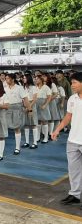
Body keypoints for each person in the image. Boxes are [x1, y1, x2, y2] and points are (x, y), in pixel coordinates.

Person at [52, 72, 82, 206]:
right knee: (73, 170)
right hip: (73, 140)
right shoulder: (72, 99)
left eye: (75, 82)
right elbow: (68, 117)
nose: (72, 85)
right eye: (72, 83)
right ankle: (75, 195)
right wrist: (57, 129)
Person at [5, 73, 30, 154]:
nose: (6, 80)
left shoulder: (19, 88)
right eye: (6, 78)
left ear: (12, 79)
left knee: (17, 128)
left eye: (8, 78)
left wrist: (29, 109)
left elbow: (25, 99)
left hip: (17, 108)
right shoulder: (5, 88)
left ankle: (17, 147)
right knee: (7, 127)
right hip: (8, 109)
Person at [22, 74, 38, 149]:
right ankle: (27, 142)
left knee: (33, 124)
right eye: (23, 78)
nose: (23, 79)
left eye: (25, 78)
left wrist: (29, 107)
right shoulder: (24, 87)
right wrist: (25, 106)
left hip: (31, 105)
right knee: (26, 124)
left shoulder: (34, 87)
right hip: (25, 105)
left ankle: (35, 142)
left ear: (28, 79)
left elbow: (34, 99)